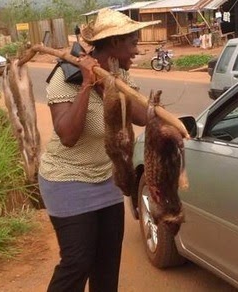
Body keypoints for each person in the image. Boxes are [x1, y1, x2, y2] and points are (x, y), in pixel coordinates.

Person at [38, 8, 160, 292]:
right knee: (77, 262)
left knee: (107, 264)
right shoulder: (65, 75)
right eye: (132, 42)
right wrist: (87, 85)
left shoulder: (120, 76)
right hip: (66, 179)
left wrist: (119, 92)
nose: (136, 50)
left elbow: (141, 117)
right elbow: (67, 135)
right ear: (116, 44)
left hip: (106, 182)